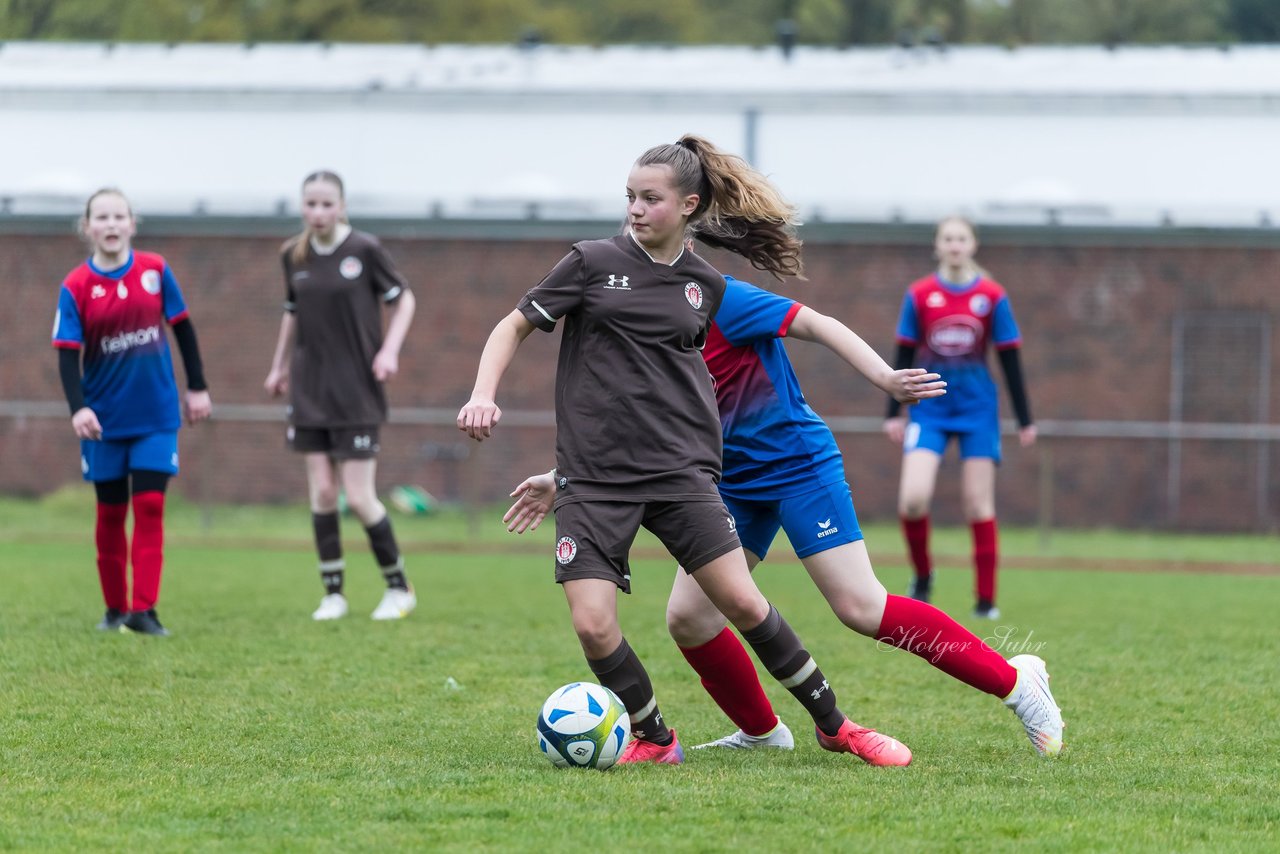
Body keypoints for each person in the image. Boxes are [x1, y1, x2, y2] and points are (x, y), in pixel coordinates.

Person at [458, 135, 911, 767]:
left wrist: (884, 378)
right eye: (630, 197)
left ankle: (837, 726)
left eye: (650, 199)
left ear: (688, 205)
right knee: (592, 623)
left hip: (682, 476)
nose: (635, 210)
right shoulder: (589, 263)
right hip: (596, 483)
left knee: (744, 603)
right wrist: (485, 395)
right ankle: (655, 736)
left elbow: (662, 391)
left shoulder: (704, 285)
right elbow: (512, 326)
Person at [505, 271, 1065, 758]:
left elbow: (817, 323)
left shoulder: (723, 299)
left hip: (797, 465)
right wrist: (563, 479)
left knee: (860, 606)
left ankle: (1018, 685)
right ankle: (761, 733)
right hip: (724, 480)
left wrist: (885, 381)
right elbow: (645, 423)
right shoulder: (645, 324)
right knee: (691, 618)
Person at [52, 187, 213, 636]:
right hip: (104, 420)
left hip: (157, 415)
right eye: (101, 217)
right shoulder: (75, 286)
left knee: (149, 506)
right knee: (109, 514)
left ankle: (144, 611)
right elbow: (67, 354)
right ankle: (114, 609)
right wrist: (78, 409)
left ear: (132, 223)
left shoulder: (156, 270)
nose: (111, 224)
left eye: (119, 216)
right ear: (87, 227)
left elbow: (183, 329)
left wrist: (197, 386)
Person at [264, 170, 418, 621]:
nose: (317, 212)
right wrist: (278, 367)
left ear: (342, 206)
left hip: (355, 390)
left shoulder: (365, 250)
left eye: (326, 204)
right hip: (310, 387)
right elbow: (291, 314)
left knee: (359, 494)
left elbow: (404, 299)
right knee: (324, 493)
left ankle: (398, 588)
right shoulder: (294, 255)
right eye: (310, 204)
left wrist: (389, 351)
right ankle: (333, 594)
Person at [884, 216, 1036, 619]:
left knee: (977, 504)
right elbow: (903, 354)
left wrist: (1025, 419)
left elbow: (1010, 359)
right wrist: (893, 411)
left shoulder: (991, 296)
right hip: (929, 409)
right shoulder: (919, 295)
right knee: (913, 499)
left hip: (977, 411)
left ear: (973, 245)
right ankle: (922, 577)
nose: (954, 244)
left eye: (961, 238)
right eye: (947, 238)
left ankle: (986, 601)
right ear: (937, 245)